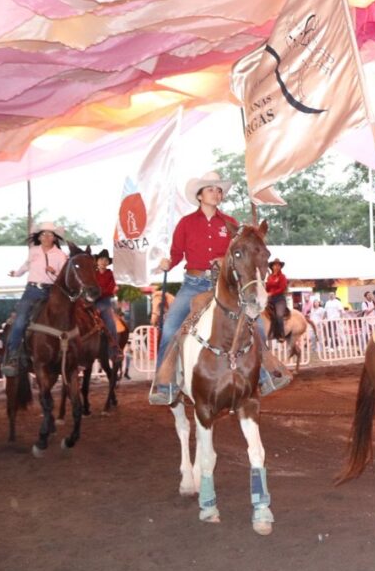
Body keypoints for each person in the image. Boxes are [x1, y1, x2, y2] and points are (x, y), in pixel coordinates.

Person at [148, 171, 288, 405]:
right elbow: (175, 254)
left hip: (224, 285)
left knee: (256, 322)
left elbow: (240, 254)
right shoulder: (186, 223)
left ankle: (265, 374)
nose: (217, 193)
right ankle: (164, 384)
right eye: (211, 189)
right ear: (200, 195)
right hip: (194, 284)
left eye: (219, 190)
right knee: (171, 325)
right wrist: (166, 263)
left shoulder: (231, 223)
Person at [1, 222, 69, 376]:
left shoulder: (60, 255)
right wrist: (17, 273)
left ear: (54, 238)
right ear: (39, 237)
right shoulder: (34, 251)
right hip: (32, 290)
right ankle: (12, 356)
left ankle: (73, 356)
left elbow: (64, 276)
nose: (46, 237)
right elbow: (26, 265)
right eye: (43, 234)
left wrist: (54, 272)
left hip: (52, 291)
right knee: (20, 320)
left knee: (68, 318)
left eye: (49, 234)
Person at [93, 250, 122, 361]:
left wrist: (97, 291)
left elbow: (110, 289)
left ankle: (114, 351)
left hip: (104, 301)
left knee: (110, 324)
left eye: (106, 260)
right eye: (101, 259)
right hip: (90, 300)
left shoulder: (111, 274)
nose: (103, 262)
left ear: (108, 262)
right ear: (97, 261)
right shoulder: (92, 273)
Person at [266, 258, 288, 340]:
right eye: (275, 265)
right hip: (270, 299)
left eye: (278, 265)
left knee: (279, 315)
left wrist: (272, 293)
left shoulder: (282, 277)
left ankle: (282, 334)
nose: (276, 267)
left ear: (280, 267)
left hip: (279, 299)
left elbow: (282, 288)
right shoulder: (270, 277)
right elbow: (267, 288)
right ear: (272, 267)